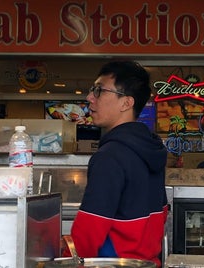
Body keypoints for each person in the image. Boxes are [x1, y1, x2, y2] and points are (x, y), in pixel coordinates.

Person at [68, 61, 168, 266]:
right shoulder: (151, 149)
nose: (89, 98)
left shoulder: (110, 156)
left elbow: (88, 233)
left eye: (99, 90)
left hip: (114, 263)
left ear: (126, 103)